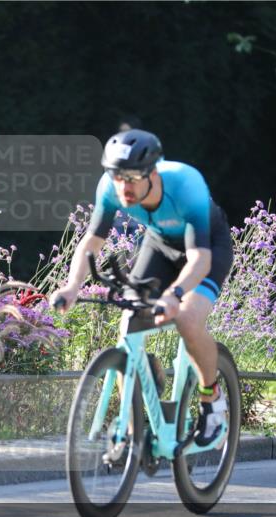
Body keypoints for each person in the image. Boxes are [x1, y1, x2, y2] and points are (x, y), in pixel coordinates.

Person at [49, 130, 234, 448]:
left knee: (188, 319)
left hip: (206, 249)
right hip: (159, 245)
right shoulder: (109, 187)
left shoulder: (185, 184)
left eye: (133, 177)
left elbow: (200, 258)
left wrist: (174, 296)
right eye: (117, 176)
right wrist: (72, 286)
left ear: (153, 172)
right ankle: (135, 431)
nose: (124, 186)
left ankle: (211, 399)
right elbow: (92, 241)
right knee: (128, 327)